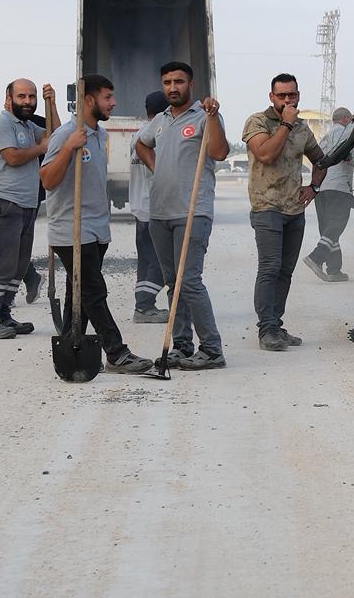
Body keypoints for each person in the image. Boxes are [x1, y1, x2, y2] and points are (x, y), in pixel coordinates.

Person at [38, 75, 154, 374]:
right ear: (89, 100)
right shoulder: (66, 136)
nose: (113, 103)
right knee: (93, 292)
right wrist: (69, 149)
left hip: (96, 229)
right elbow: (47, 180)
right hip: (71, 231)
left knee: (78, 294)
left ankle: (70, 350)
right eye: (107, 97)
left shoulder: (100, 135)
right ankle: (116, 353)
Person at [137, 62, 228, 370]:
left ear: (191, 84)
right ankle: (182, 346)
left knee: (189, 281)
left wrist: (213, 117)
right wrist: (158, 168)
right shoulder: (160, 119)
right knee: (172, 283)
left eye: (178, 81)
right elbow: (141, 144)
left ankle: (212, 349)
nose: (172, 87)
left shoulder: (205, 116)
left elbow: (219, 153)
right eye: (167, 82)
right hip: (160, 212)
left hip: (193, 211)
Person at [242, 73, 327, 352]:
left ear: (298, 95)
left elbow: (321, 160)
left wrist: (314, 187)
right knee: (269, 268)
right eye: (282, 96)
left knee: (285, 272)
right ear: (272, 97)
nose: (288, 100)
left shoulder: (303, 129)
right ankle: (266, 330)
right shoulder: (257, 122)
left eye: (292, 94)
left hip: (294, 209)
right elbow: (266, 154)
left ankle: (276, 325)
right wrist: (286, 124)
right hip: (266, 207)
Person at [0, 79, 50, 338]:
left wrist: (51, 102)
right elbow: (12, 157)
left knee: (17, 266)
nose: (28, 101)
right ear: (9, 98)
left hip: (27, 205)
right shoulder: (2, 124)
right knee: (0, 265)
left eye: (32, 96)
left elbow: (55, 134)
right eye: (22, 96)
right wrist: (41, 148)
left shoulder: (28, 126)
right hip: (6, 204)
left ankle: (3, 314)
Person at [304, 107, 354, 282]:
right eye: (350, 120)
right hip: (338, 189)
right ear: (345, 119)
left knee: (329, 231)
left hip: (322, 188)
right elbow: (345, 157)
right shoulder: (342, 133)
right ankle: (316, 257)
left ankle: (334, 270)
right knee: (336, 225)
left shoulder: (325, 137)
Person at [129, 91, 170, 322]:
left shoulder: (137, 135)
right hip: (155, 209)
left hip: (140, 208)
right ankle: (144, 306)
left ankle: (143, 306)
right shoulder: (158, 134)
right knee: (161, 262)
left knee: (146, 262)